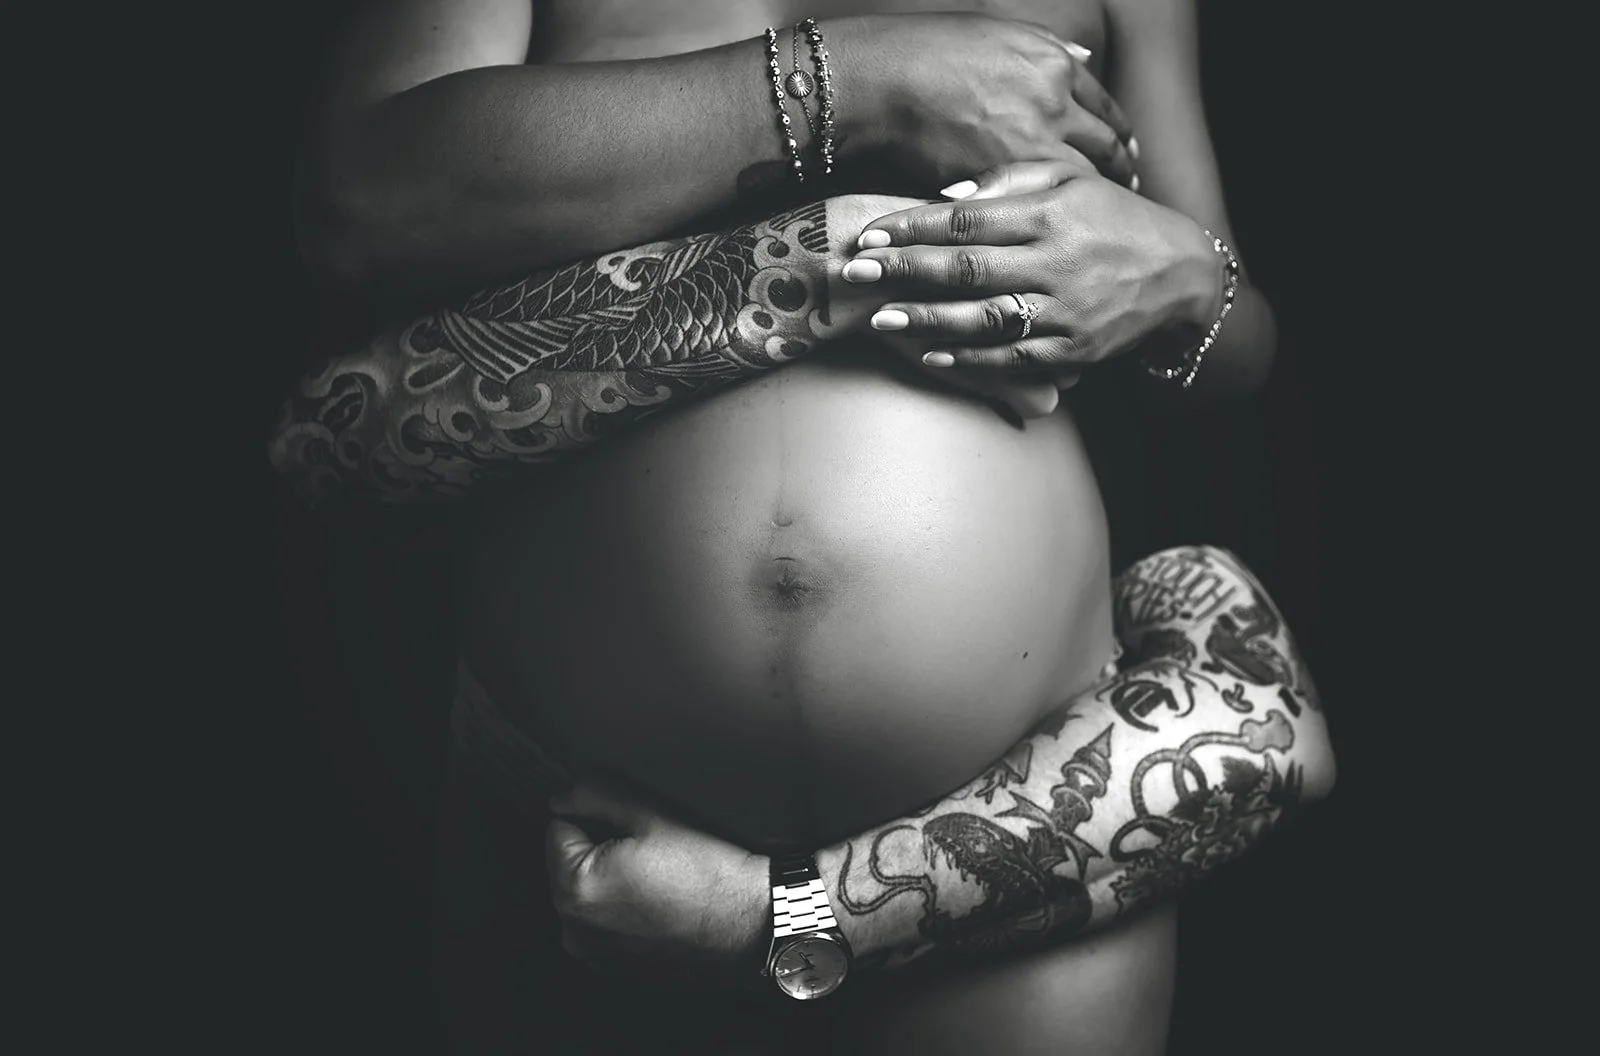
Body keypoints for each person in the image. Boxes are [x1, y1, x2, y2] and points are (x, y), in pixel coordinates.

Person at [269, 1, 1334, 1052]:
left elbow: (1230, 354)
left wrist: (1186, 279)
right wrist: (859, 81)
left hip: (1024, 844)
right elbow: (368, 204)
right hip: (579, 824)